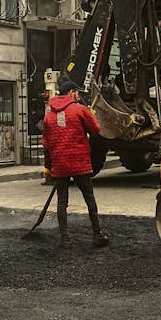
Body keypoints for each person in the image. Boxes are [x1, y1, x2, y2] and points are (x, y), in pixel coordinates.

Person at [42, 80, 109, 248]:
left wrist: (48, 167)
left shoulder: (49, 116)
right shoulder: (80, 110)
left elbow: (46, 144)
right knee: (89, 199)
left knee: (62, 202)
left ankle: (65, 239)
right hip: (80, 163)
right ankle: (97, 235)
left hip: (60, 164)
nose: (79, 95)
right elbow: (96, 130)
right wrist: (91, 115)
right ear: (71, 93)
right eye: (77, 92)